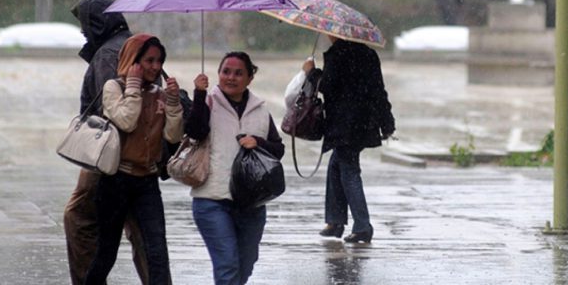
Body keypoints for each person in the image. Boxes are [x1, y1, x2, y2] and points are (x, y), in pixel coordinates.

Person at [64, 0, 153, 285]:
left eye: (86, 24)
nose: (83, 32)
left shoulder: (107, 54)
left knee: (78, 217)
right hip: (141, 152)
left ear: (98, 24)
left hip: (109, 153)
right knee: (140, 229)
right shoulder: (133, 45)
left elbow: (110, 110)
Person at [84, 34, 184, 284]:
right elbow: (127, 121)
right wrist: (133, 86)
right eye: (148, 60)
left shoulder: (160, 94)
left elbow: (173, 136)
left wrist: (173, 102)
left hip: (147, 182)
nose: (155, 67)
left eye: (159, 61)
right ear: (132, 60)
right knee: (106, 253)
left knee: (157, 251)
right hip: (115, 180)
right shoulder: (113, 88)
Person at [185, 51, 284, 285]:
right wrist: (199, 94)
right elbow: (195, 131)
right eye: (226, 72)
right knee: (227, 265)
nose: (231, 77)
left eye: (239, 73)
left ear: (250, 78)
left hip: (251, 204)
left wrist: (257, 142)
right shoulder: (208, 102)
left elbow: (278, 150)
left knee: (245, 264)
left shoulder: (260, 109)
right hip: (212, 200)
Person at [303, 36, 395, 243]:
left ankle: (362, 226)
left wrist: (311, 71)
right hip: (363, 124)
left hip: (344, 125)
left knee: (349, 170)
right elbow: (379, 91)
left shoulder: (337, 54)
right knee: (337, 165)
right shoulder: (369, 54)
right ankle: (335, 222)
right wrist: (387, 122)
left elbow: (327, 85)